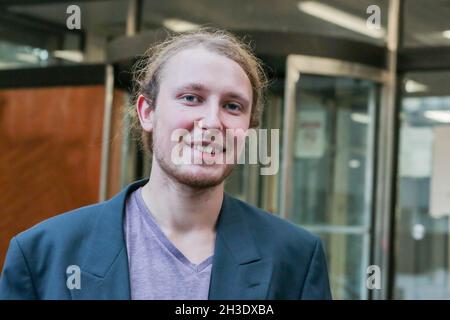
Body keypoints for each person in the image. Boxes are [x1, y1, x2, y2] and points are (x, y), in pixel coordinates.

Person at [0, 29, 332, 300]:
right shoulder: (43, 254)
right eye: (191, 98)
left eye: (232, 106)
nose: (212, 121)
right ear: (147, 112)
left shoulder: (295, 258)